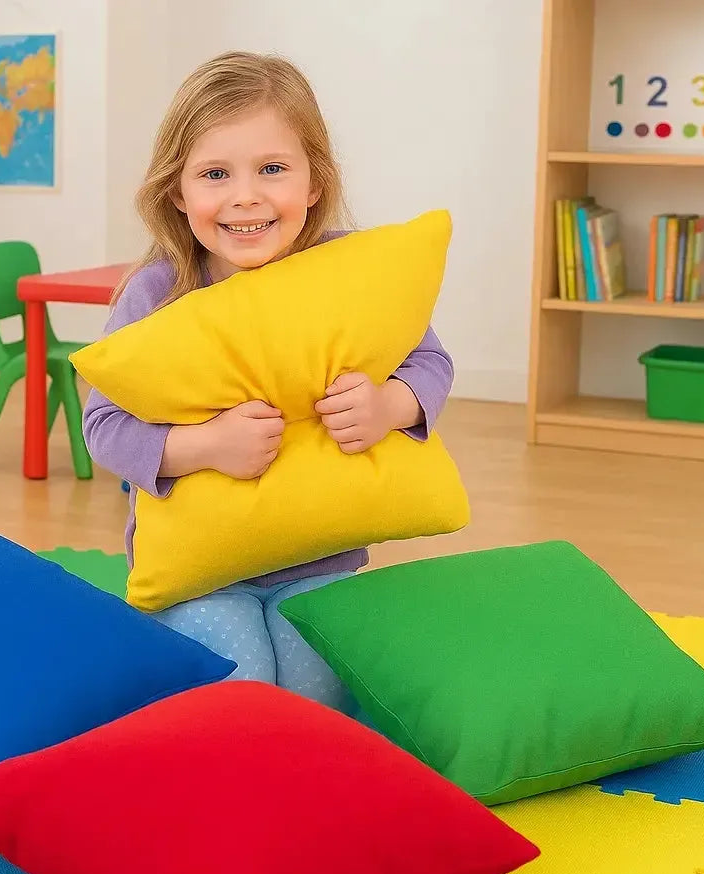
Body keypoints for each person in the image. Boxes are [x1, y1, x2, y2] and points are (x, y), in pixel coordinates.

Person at [83, 51, 453, 715]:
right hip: (199, 575)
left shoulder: (345, 271)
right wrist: (204, 446)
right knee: (242, 690)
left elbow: (428, 361)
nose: (245, 195)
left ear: (314, 182)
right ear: (178, 190)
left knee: (314, 699)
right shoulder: (157, 291)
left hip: (319, 563)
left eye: (272, 169)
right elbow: (104, 427)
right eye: (215, 173)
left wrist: (387, 406)